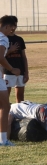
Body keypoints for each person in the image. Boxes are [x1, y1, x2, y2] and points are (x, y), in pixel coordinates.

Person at [0, 15, 21, 146]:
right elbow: (0, 57)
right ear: (7, 26)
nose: (12, 31)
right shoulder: (3, 38)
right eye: (11, 28)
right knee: (4, 106)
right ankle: (3, 140)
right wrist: (12, 69)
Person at [3, 16, 29, 103]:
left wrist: (26, 73)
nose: (13, 28)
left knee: (20, 97)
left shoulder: (19, 39)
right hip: (8, 71)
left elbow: (24, 57)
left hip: (20, 71)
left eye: (15, 26)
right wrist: (10, 50)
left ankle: (19, 113)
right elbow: (1, 56)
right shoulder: (4, 39)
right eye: (12, 26)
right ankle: (6, 114)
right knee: (6, 97)